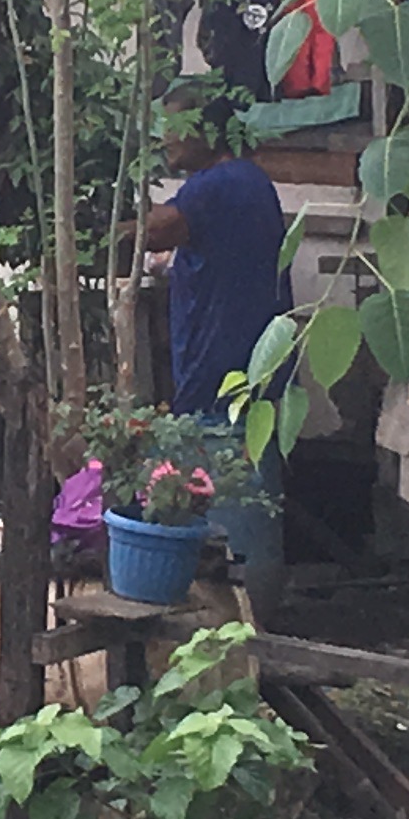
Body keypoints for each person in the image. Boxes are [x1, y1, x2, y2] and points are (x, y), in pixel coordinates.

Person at [139, 76, 289, 580]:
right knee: (248, 491)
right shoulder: (249, 180)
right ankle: (254, 602)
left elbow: (152, 230)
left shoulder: (215, 186)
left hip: (223, 376)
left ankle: (236, 612)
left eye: (173, 126)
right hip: (250, 371)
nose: (165, 138)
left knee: (227, 501)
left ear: (204, 129)